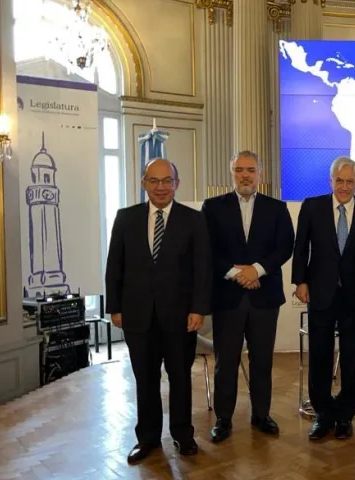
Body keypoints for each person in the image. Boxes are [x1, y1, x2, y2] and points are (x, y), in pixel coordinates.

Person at [105, 158, 211, 463]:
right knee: (145, 379)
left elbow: (201, 268)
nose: (161, 187)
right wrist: (115, 307)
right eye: (154, 180)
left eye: (167, 181)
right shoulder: (126, 218)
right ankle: (148, 438)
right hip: (137, 315)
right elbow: (115, 267)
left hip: (181, 317)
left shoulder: (194, 220)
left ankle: (183, 434)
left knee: (180, 377)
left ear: (176, 184)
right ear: (144, 183)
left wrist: (198, 308)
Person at [201, 151, 295, 443]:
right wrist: (236, 273)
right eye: (239, 170)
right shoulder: (213, 207)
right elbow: (206, 249)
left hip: (264, 297)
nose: (245, 175)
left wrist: (256, 270)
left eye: (251, 170)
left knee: (262, 360)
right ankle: (224, 419)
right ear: (232, 173)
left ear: (260, 174)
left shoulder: (277, 208)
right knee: (225, 361)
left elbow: (284, 247)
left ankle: (261, 415)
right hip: (227, 297)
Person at [292, 156, 355, 441]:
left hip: (354, 295)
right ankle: (323, 414)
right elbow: (300, 247)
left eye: (350, 182)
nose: (344, 187)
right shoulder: (312, 206)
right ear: (331, 181)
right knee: (320, 354)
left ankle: (345, 415)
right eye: (339, 181)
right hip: (319, 291)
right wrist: (300, 281)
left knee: (353, 357)